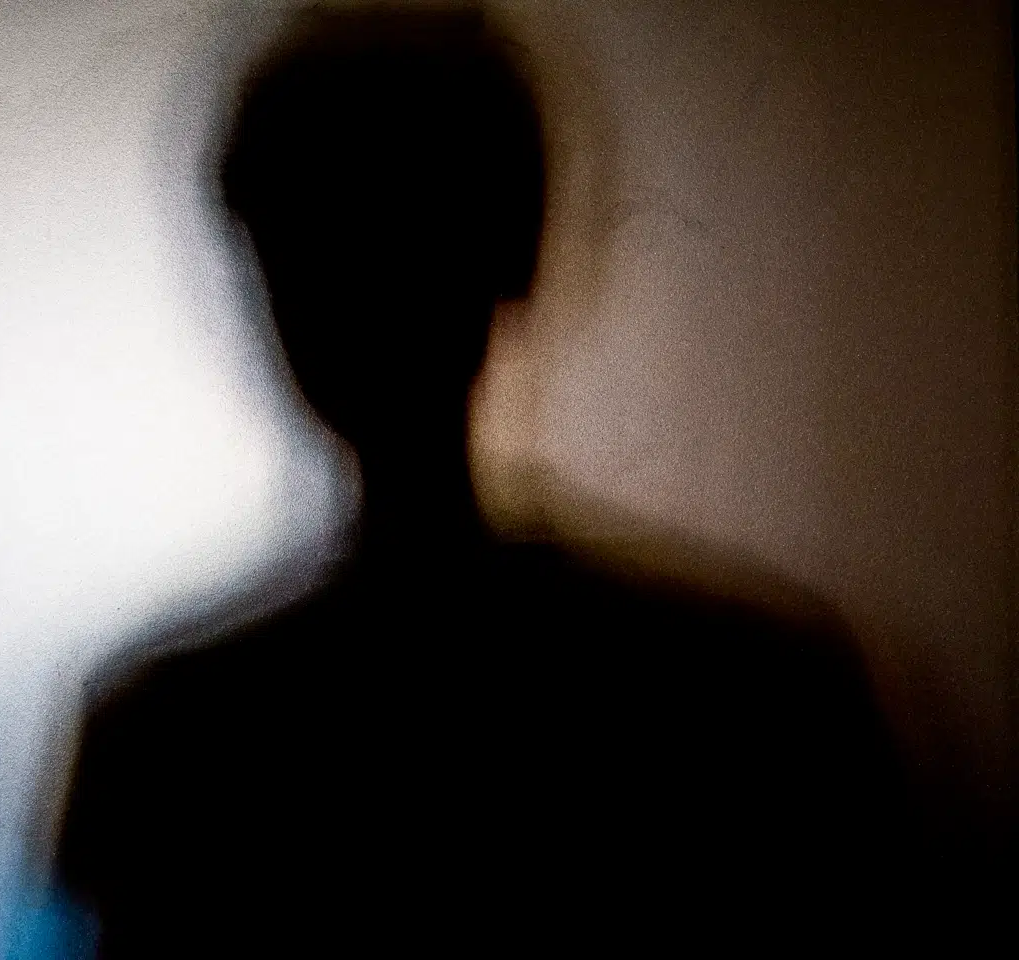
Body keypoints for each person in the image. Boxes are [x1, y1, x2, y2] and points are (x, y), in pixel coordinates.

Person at [55, 9, 908, 956]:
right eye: (304, 243)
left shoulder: (172, 726)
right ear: (521, 251)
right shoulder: (751, 686)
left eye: (393, 230)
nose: (347, 292)